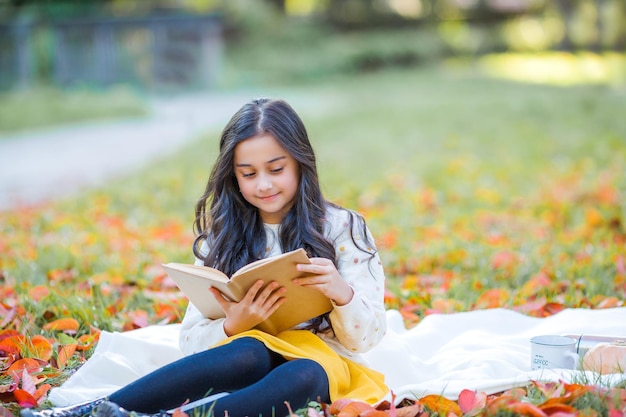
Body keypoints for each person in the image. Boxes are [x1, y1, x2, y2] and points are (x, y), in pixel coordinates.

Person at [23, 98, 388, 417]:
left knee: (303, 373)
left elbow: (367, 338)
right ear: (234, 176)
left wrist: (342, 294)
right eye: (248, 174)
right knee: (248, 350)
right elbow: (190, 343)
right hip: (254, 354)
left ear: (300, 164)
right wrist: (233, 325)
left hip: (326, 362)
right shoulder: (224, 237)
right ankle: (91, 412)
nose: (263, 185)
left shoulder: (341, 227)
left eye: (276, 170)